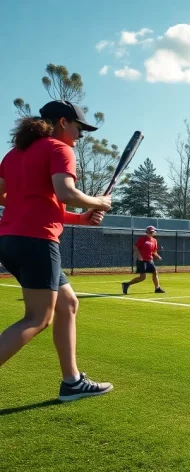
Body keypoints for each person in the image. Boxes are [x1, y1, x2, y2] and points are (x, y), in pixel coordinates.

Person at [0, 101, 114, 401]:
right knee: (37, 319)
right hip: (37, 241)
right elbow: (66, 193)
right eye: (79, 128)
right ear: (63, 122)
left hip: (10, 240)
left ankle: (72, 381)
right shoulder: (59, 149)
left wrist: (81, 217)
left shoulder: (15, 153)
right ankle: (72, 381)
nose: (81, 135)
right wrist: (98, 203)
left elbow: (8, 196)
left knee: (68, 304)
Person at [122, 226, 165, 294]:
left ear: (154, 232)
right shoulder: (142, 239)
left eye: (152, 232)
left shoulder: (154, 240)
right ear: (146, 232)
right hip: (142, 261)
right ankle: (127, 284)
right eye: (149, 232)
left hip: (150, 260)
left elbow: (154, 251)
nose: (150, 233)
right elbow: (135, 247)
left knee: (155, 272)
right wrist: (139, 256)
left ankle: (157, 288)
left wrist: (157, 256)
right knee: (142, 277)